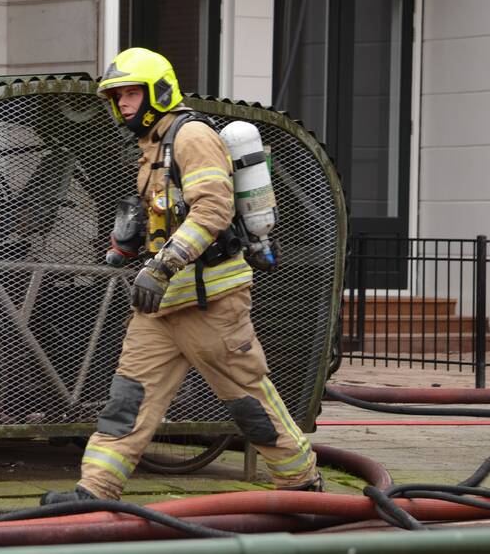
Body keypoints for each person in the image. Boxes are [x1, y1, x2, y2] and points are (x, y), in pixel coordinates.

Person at [41, 48, 322, 504]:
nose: (123, 104)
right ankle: (95, 490)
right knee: (127, 399)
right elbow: (162, 215)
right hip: (161, 305)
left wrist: (161, 265)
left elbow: (212, 209)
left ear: (160, 92)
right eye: (116, 96)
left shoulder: (191, 136)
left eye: (131, 93)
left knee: (248, 402)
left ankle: (302, 484)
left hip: (211, 302)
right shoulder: (150, 148)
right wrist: (129, 245)